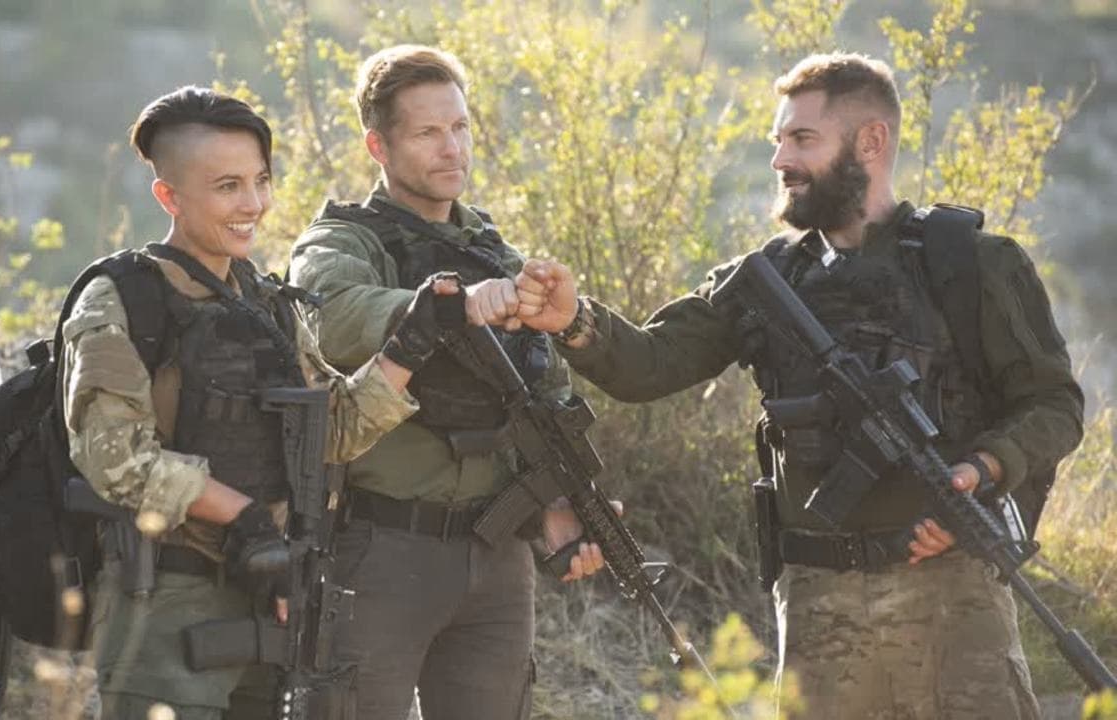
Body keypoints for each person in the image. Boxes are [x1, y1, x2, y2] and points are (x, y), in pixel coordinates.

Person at [513, 52, 1084, 719]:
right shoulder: (767, 280)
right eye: (777, 139)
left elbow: (1054, 405)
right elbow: (651, 362)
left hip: (951, 597)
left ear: (871, 141)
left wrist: (981, 473)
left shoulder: (970, 263)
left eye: (803, 138)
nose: (781, 158)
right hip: (819, 607)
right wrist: (574, 321)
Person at [61, 86, 460, 720]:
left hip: (271, 597)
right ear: (169, 196)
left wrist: (410, 344)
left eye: (261, 181)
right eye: (228, 187)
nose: (253, 204)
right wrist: (244, 518)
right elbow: (117, 460)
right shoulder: (123, 299)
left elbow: (329, 431)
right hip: (167, 599)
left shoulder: (266, 303)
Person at [288, 45, 606, 720]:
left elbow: (543, 389)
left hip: (497, 559)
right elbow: (331, 315)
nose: (452, 148)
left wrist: (561, 502)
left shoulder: (492, 250)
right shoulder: (343, 240)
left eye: (460, 127)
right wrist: (447, 306)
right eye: (428, 132)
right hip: (382, 550)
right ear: (378, 145)